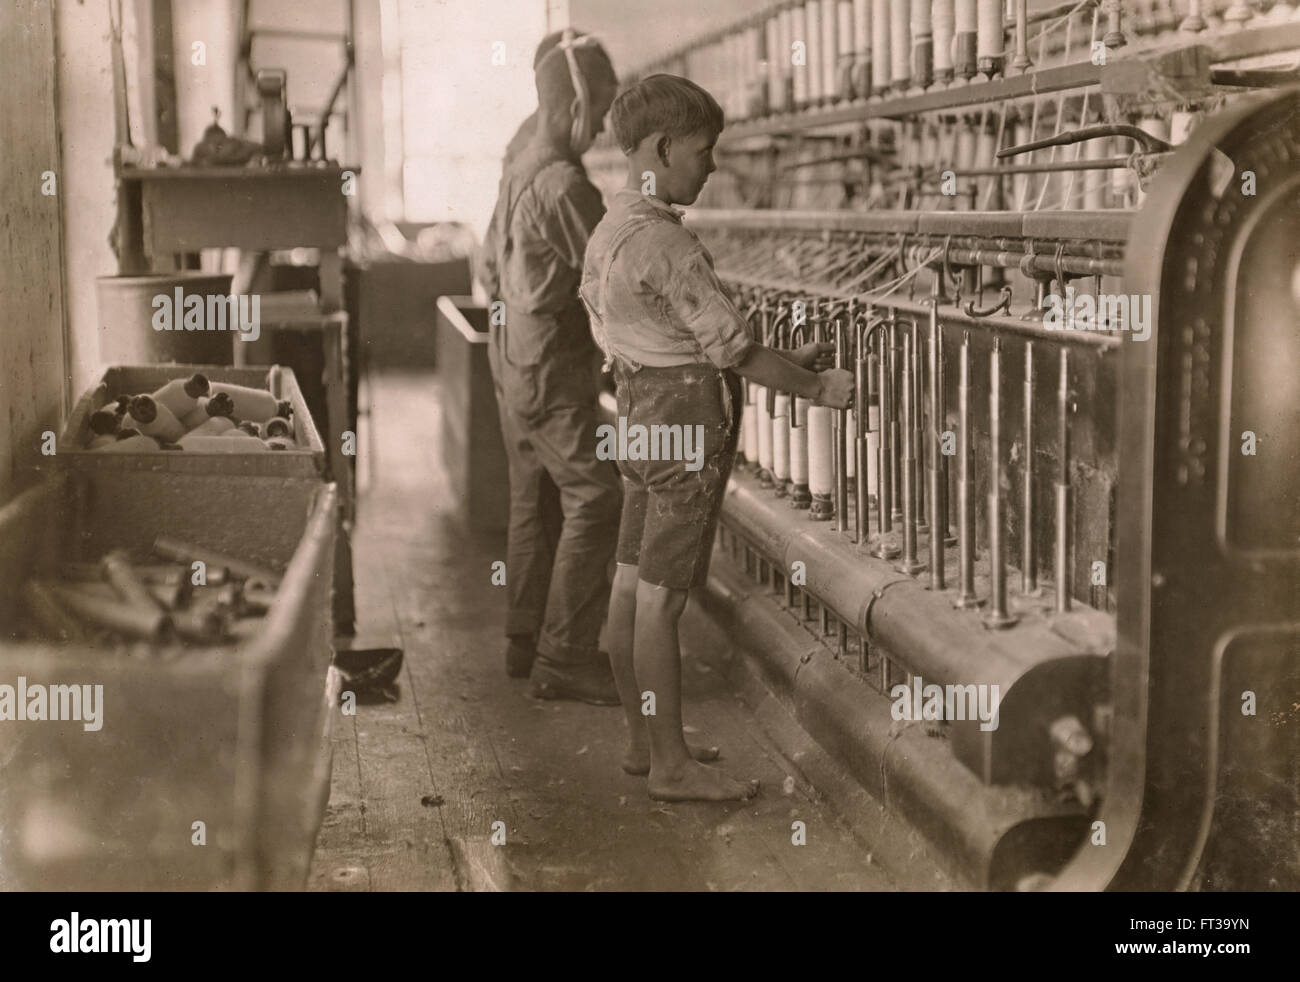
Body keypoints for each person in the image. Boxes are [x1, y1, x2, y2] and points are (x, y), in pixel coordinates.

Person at [580, 75, 855, 801]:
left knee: (630, 581)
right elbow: (728, 354)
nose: (710, 165)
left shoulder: (611, 231)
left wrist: (784, 358)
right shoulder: (670, 245)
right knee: (663, 603)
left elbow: (669, 337)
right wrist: (819, 389)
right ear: (663, 149)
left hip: (639, 418)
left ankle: (644, 744)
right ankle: (672, 771)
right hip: (684, 428)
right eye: (704, 151)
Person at [475, 30, 623, 703]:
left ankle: (523, 637)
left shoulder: (518, 160)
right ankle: (564, 657)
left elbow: (485, 265)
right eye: (600, 116)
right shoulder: (565, 185)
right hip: (550, 365)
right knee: (596, 495)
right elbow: (614, 278)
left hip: (511, 355)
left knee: (533, 494)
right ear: (574, 111)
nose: (599, 134)